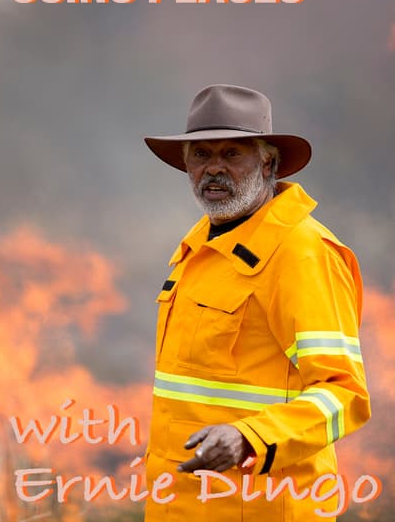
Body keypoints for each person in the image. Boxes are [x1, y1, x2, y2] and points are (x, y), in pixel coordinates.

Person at [143, 84, 370, 521]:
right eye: (201, 155)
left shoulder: (302, 253)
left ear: (269, 163)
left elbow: (345, 395)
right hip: (183, 506)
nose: (213, 169)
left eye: (232, 154)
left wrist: (249, 437)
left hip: (263, 508)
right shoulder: (199, 247)